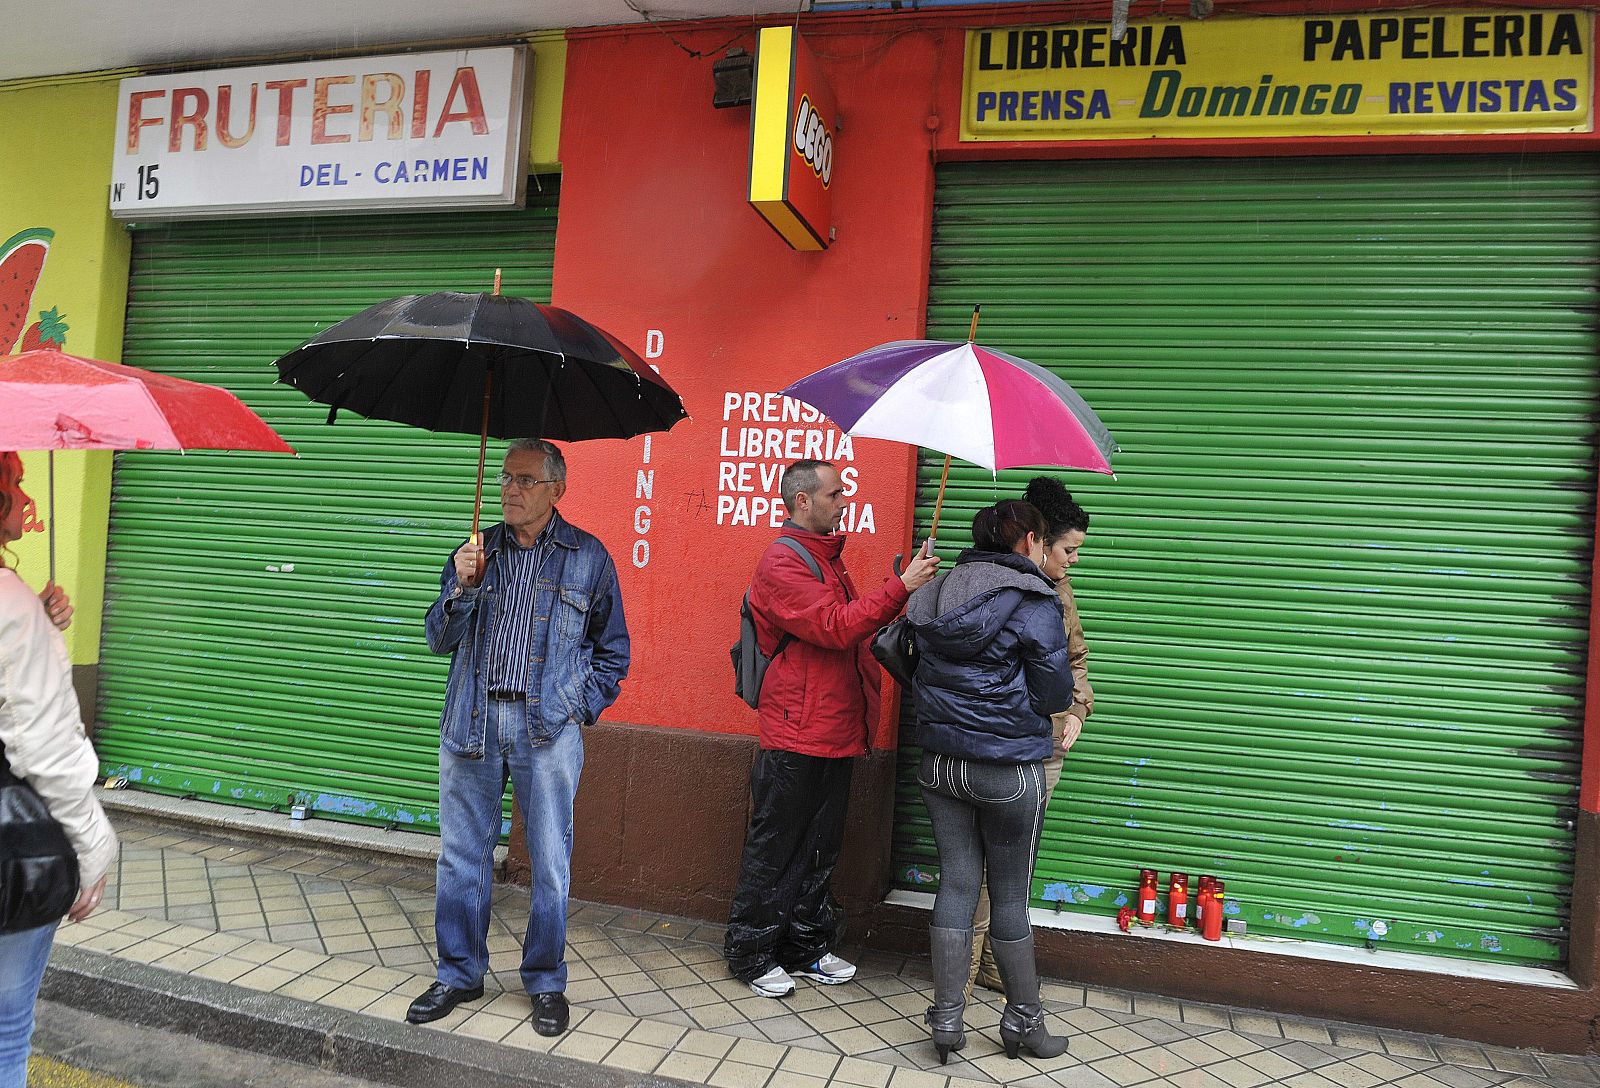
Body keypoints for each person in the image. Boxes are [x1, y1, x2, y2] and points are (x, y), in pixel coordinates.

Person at [410, 439, 629, 1037]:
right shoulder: (474, 553)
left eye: (526, 480)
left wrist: (578, 706)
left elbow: (613, 651)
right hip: (472, 723)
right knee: (461, 856)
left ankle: (545, 981)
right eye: (506, 478)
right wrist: (460, 587)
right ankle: (459, 972)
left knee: (551, 863)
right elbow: (437, 638)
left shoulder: (588, 557)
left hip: (547, 731)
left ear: (557, 489)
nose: (510, 489)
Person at [725, 459, 940, 998]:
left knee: (821, 847)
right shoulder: (782, 562)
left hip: (833, 729)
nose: (843, 501)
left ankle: (803, 946)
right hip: (797, 732)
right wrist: (900, 585)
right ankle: (750, 953)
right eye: (835, 494)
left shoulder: (825, 557)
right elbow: (834, 628)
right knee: (775, 846)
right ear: (803, 501)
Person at [908, 500, 1073, 1063]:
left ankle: (947, 1022)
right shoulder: (1035, 600)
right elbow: (1055, 695)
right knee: (1008, 895)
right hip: (1007, 769)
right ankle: (1024, 1024)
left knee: (955, 883)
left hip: (939, 763)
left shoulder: (934, 590)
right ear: (1027, 540)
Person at [0, 452, 118, 1086]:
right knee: (6, 1030)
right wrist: (95, 848)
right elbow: (43, 747)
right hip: (11, 851)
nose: (24, 494)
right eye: (12, 482)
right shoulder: (10, 606)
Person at [968, 476, 1093, 994]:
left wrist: (1080, 710)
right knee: (975, 859)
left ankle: (996, 963)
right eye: (1068, 549)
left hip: (1045, 745)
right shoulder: (990, 585)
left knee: (1015, 856)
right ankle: (964, 970)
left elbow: (1075, 658)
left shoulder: (1058, 592)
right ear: (1036, 542)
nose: (1075, 560)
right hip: (1001, 742)